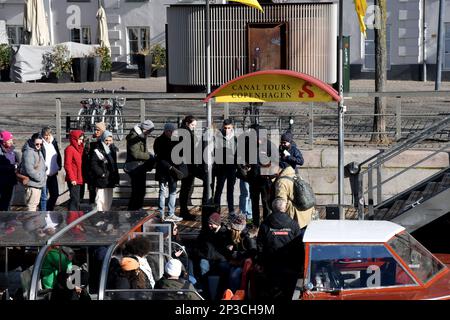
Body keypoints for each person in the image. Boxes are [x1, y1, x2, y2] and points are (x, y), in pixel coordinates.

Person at [256, 197, 304, 300]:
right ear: (285, 208)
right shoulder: (294, 224)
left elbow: (260, 245)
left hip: (271, 267)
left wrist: (260, 263)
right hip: (291, 267)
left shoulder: (265, 225)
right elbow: (299, 247)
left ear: (272, 208)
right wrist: (300, 265)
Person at [154, 122, 184, 222]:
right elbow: (159, 157)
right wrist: (171, 167)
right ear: (166, 131)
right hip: (164, 170)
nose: (171, 133)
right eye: (169, 131)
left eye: (172, 131)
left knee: (172, 192)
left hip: (172, 170)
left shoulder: (175, 140)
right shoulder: (159, 141)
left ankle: (171, 213)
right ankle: (161, 213)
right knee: (163, 191)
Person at [125, 120, 155, 210]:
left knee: (140, 191)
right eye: (149, 131)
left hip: (140, 167)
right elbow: (136, 154)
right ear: (144, 129)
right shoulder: (134, 136)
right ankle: (133, 210)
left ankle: (137, 208)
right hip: (135, 167)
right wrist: (148, 156)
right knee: (137, 191)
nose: (149, 133)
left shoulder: (141, 135)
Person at [273, 163, 314, 230]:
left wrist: (279, 220)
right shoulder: (296, 175)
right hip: (306, 213)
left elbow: (281, 204)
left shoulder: (281, 182)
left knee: (294, 237)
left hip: (295, 217)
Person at [177, 115, 202, 221]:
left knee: (185, 188)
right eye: (192, 125)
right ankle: (184, 211)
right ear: (187, 123)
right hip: (187, 165)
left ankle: (184, 211)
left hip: (187, 165)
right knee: (185, 188)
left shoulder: (185, 132)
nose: (194, 127)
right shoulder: (184, 133)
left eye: (195, 125)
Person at [89, 130, 119, 211]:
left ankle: (106, 215)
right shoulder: (97, 149)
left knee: (108, 199)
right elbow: (93, 164)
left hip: (110, 178)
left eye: (110, 140)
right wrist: (101, 173)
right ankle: (100, 216)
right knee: (100, 199)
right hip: (102, 178)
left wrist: (115, 176)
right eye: (106, 140)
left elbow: (114, 164)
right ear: (103, 139)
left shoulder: (112, 149)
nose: (108, 142)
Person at [213, 119, 237, 215]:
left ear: (232, 128)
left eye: (229, 128)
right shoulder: (218, 137)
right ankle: (216, 211)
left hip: (231, 168)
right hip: (221, 168)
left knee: (230, 190)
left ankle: (231, 210)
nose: (227, 130)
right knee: (218, 190)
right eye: (225, 128)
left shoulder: (235, 139)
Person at [20, 133, 47, 211]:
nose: (39, 146)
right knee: (32, 207)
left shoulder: (37, 150)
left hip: (37, 183)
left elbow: (41, 164)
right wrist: (40, 177)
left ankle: (33, 222)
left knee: (34, 205)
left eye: (41, 144)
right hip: (33, 184)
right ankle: (30, 223)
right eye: (37, 144)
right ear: (32, 142)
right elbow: (30, 170)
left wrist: (44, 169)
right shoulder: (29, 152)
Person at [83, 121, 106, 208]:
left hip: (101, 171)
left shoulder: (105, 140)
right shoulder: (90, 141)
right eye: (95, 129)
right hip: (91, 171)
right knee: (92, 191)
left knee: (100, 194)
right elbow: (86, 155)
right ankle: (92, 208)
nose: (96, 131)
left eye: (98, 130)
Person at [40, 126, 62, 211]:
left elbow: (58, 154)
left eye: (49, 135)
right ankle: (43, 214)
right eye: (45, 135)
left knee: (55, 194)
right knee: (44, 197)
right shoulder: (41, 144)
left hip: (53, 174)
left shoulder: (54, 142)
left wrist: (59, 165)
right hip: (44, 175)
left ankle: (49, 210)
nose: (47, 137)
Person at [64, 130, 85, 211]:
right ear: (74, 139)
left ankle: (76, 217)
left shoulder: (79, 149)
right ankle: (72, 218)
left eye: (82, 139)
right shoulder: (69, 149)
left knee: (78, 199)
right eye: (79, 139)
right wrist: (72, 178)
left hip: (79, 178)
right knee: (74, 199)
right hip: (74, 179)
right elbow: (67, 165)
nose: (81, 141)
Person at [0, 131, 20, 211]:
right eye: (9, 140)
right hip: (2, 182)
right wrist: (12, 167)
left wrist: (16, 165)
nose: (12, 141)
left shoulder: (12, 150)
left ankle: (6, 220)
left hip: (10, 180)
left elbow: (15, 162)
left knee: (8, 203)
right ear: (3, 142)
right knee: (3, 204)